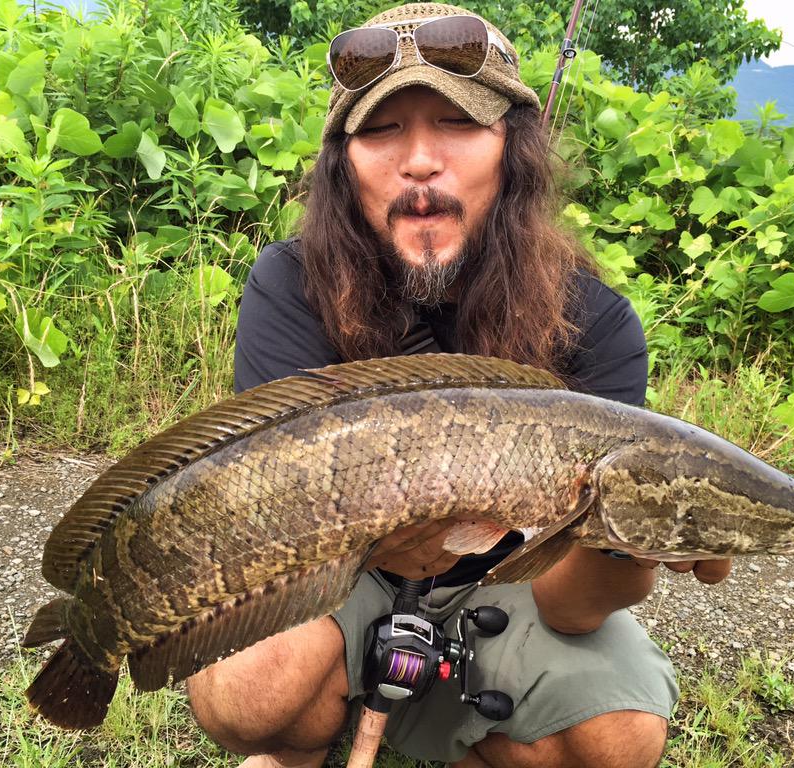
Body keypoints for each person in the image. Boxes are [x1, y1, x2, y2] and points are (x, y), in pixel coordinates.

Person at [186, 3, 731, 766]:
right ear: (343, 163)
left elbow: (567, 609)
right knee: (250, 689)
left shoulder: (597, 324)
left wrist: (629, 549)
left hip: (507, 584)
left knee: (618, 738)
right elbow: (269, 526)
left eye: (459, 123)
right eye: (382, 130)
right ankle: (306, 734)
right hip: (338, 571)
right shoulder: (292, 284)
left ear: (513, 149)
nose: (419, 161)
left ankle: (451, 724)